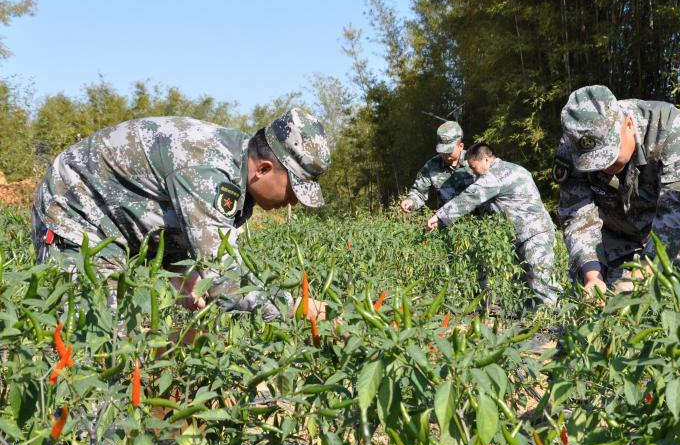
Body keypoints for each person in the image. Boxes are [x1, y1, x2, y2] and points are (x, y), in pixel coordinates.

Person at [31, 107, 331, 320]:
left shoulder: (239, 163)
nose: (293, 201)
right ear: (264, 169)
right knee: (95, 333)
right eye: (294, 188)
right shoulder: (207, 171)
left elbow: (194, 237)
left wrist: (181, 270)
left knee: (123, 337)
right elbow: (224, 283)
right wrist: (297, 308)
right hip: (74, 211)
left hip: (115, 220)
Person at [553, 85, 680, 297]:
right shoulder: (572, 149)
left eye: (610, 154)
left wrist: (642, 274)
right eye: (593, 162)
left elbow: (679, 208)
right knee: (610, 304)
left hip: (679, 234)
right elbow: (577, 215)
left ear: (628, 125)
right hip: (617, 237)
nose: (604, 166)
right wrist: (592, 276)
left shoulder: (668, 126)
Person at [426, 143, 559, 308]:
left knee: (542, 281)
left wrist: (440, 216)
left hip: (533, 234)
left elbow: (470, 197)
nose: (473, 172)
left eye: (473, 167)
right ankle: (531, 319)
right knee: (523, 283)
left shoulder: (495, 175)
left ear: (486, 160)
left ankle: (558, 318)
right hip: (530, 232)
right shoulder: (515, 168)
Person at [400, 121, 477, 213]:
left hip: (479, 219)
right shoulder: (432, 166)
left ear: (461, 146)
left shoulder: (475, 161)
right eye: (442, 151)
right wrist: (411, 201)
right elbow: (419, 192)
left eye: (449, 151)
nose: (445, 155)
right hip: (447, 218)